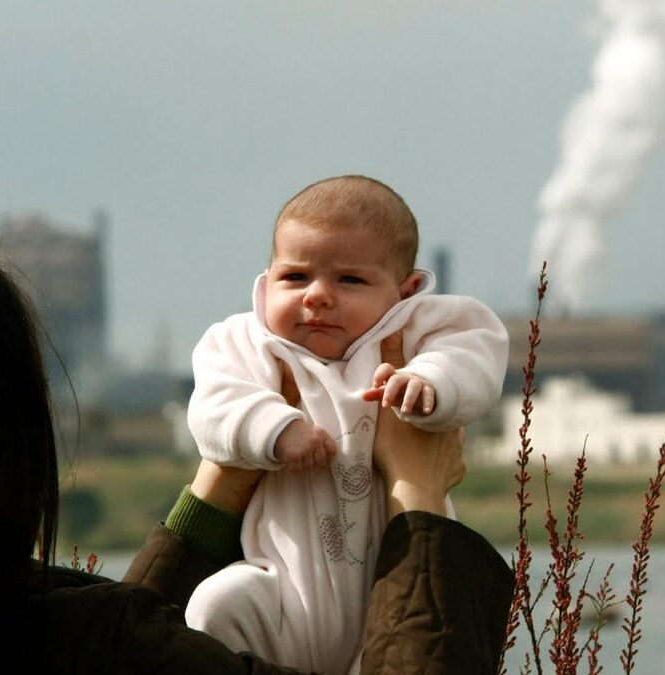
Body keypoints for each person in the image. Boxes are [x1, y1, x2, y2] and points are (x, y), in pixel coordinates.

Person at [0, 242, 513, 674]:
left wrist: (217, 490)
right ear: (6, 449)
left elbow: (118, 637)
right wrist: (416, 497)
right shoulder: (62, 641)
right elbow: (107, 649)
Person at [185, 175, 509, 672]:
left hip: (386, 588)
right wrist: (273, 429)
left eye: (350, 280)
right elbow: (211, 409)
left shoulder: (410, 332)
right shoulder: (246, 344)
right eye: (295, 277)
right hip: (280, 591)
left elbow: (478, 348)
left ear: (407, 292)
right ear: (265, 282)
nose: (317, 296)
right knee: (216, 602)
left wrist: (428, 381)